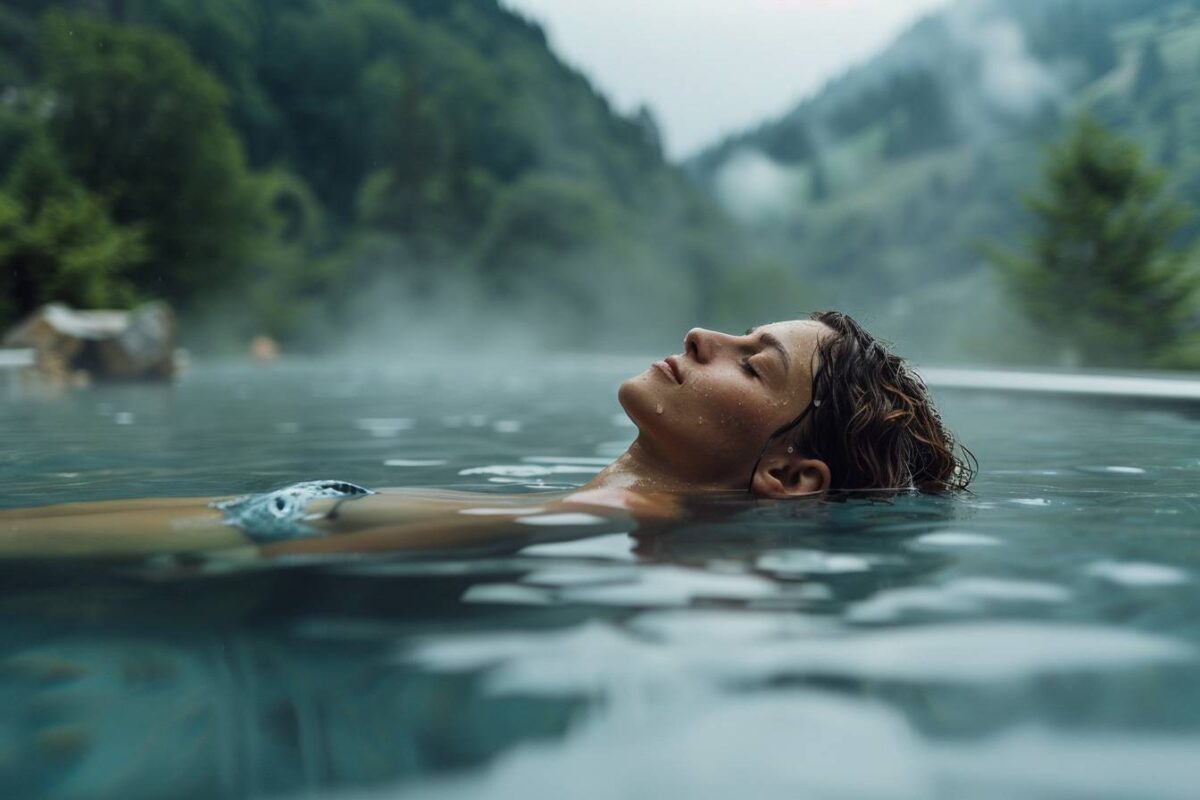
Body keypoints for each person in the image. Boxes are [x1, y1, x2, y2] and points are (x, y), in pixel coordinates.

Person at [0, 311, 973, 559]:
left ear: (789, 474)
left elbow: (269, 547)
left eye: (750, 362)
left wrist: (313, 520)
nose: (699, 336)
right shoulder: (583, 515)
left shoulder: (580, 530)